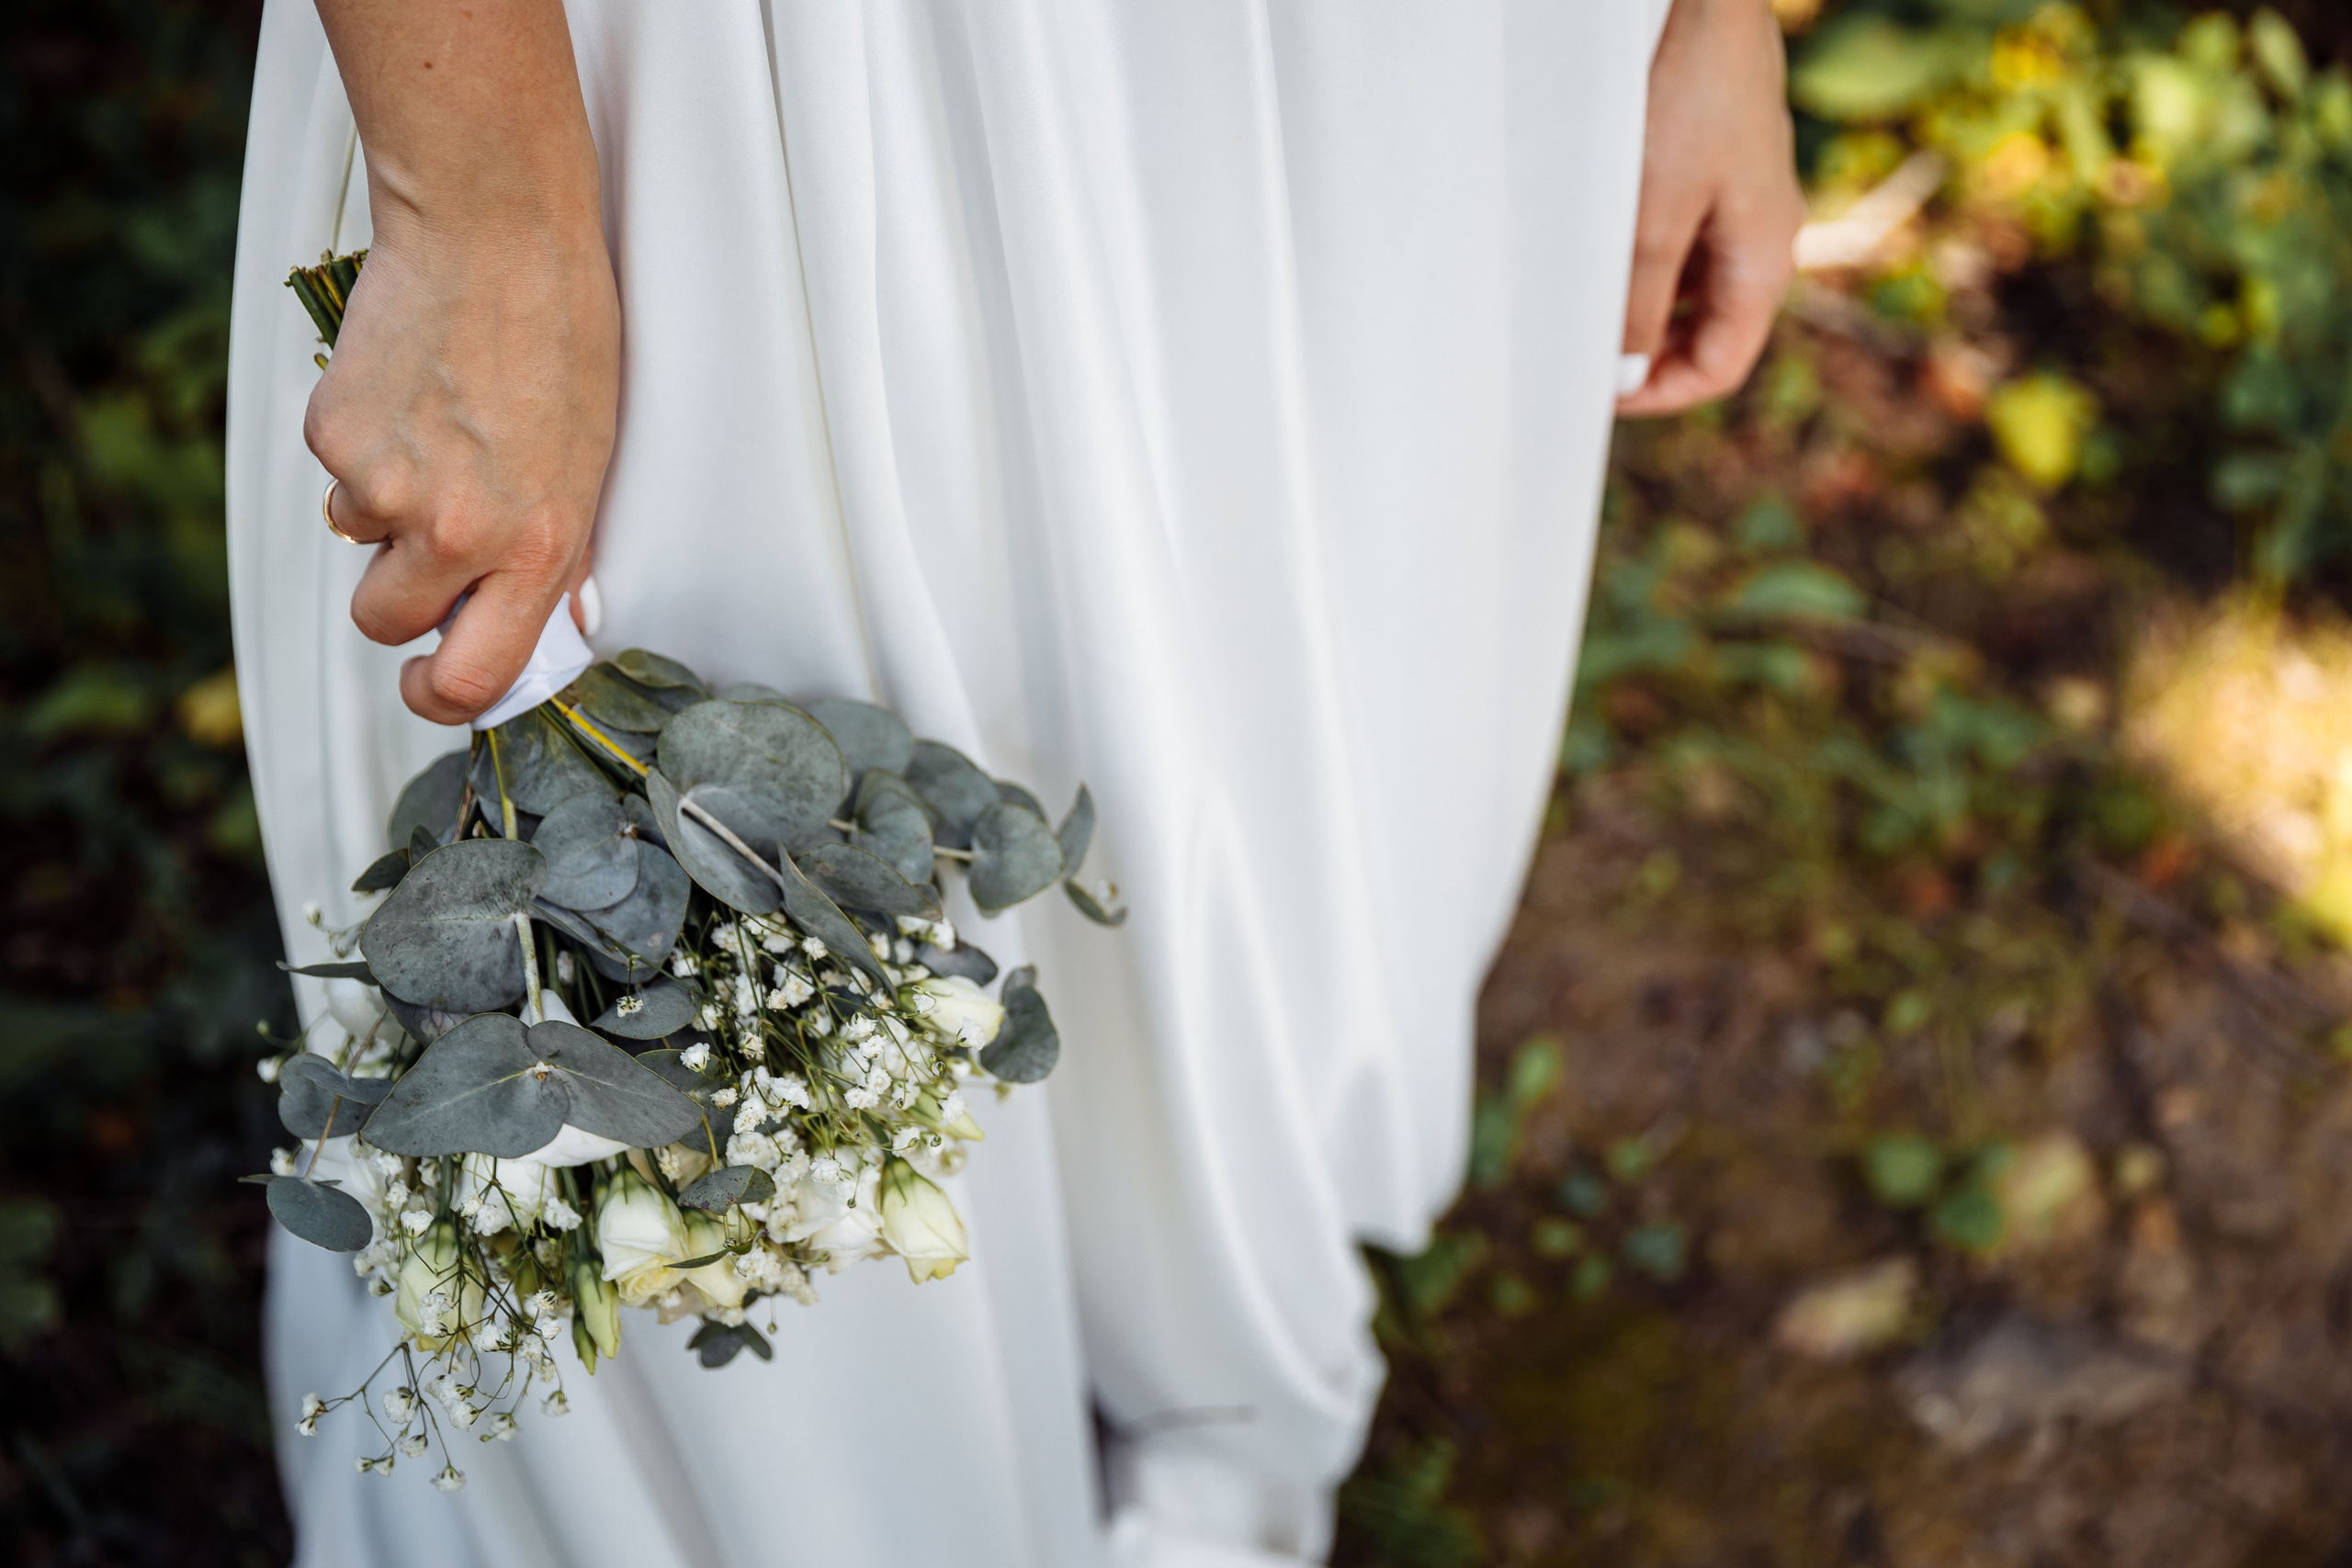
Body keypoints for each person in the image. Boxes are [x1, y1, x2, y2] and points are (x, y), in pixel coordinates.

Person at [225, 0, 1802, 1562]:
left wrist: (1715, 20)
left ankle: (1174, 1368)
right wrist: (479, 214)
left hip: (1398, 76)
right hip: (764, 78)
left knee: (1285, 788)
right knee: (692, 770)